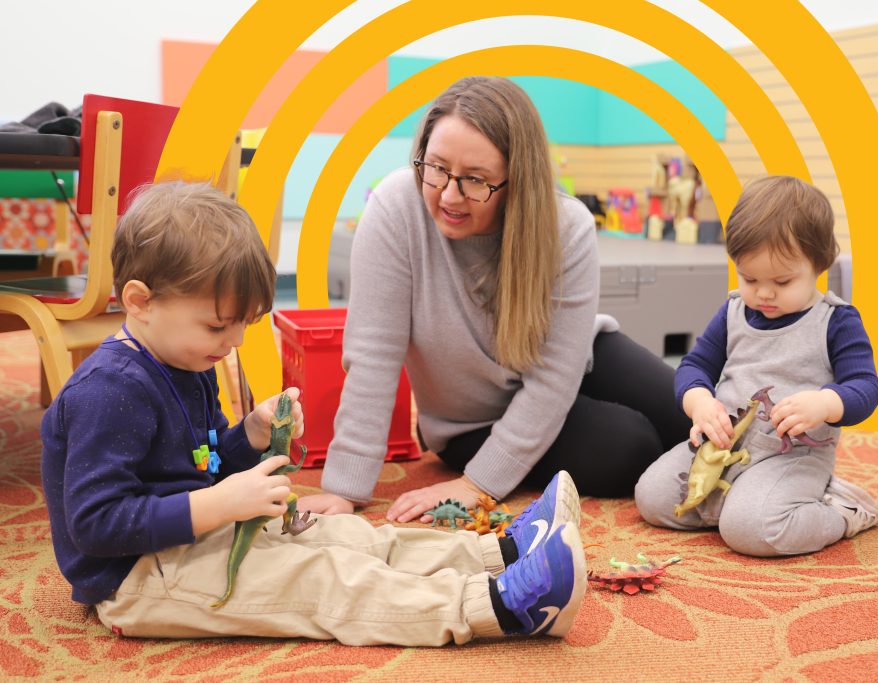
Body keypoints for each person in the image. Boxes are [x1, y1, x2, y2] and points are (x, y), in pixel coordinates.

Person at [40, 181, 588, 645]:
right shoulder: (108, 391)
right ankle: (499, 605)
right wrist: (218, 502)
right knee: (325, 577)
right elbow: (95, 525)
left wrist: (248, 437)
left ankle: (499, 552)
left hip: (196, 535)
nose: (230, 342)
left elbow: (199, 465)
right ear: (139, 300)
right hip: (137, 578)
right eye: (217, 325)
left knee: (344, 537)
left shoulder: (185, 357)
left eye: (241, 326)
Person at [303, 76, 692, 520]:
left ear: (515, 181)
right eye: (436, 168)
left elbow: (556, 375)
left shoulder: (568, 226)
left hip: (573, 363)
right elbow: (372, 355)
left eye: (475, 180)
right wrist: (345, 489)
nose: (450, 195)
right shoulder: (396, 208)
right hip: (473, 420)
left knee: (687, 410)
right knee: (632, 445)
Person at [634, 176, 878, 557]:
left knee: (751, 531)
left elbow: (866, 387)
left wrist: (826, 403)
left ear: (819, 264)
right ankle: (743, 504)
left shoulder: (836, 320)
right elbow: (695, 365)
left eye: (782, 281)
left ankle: (841, 511)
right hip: (722, 447)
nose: (763, 293)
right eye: (749, 277)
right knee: (650, 498)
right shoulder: (734, 310)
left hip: (792, 457)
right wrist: (700, 403)